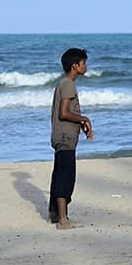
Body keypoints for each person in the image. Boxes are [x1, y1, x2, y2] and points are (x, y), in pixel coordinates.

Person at [49, 47, 94, 229]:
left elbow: (69, 113)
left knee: (61, 173)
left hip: (64, 135)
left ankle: (57, 216)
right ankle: (62, 220)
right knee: (65, 177)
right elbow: (64, 113)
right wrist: (85, 118)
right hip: (65, 137)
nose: (86, 66)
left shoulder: (64, 83)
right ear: (75, 66)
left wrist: (82, 125)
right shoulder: (68, 84)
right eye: (83, 63)